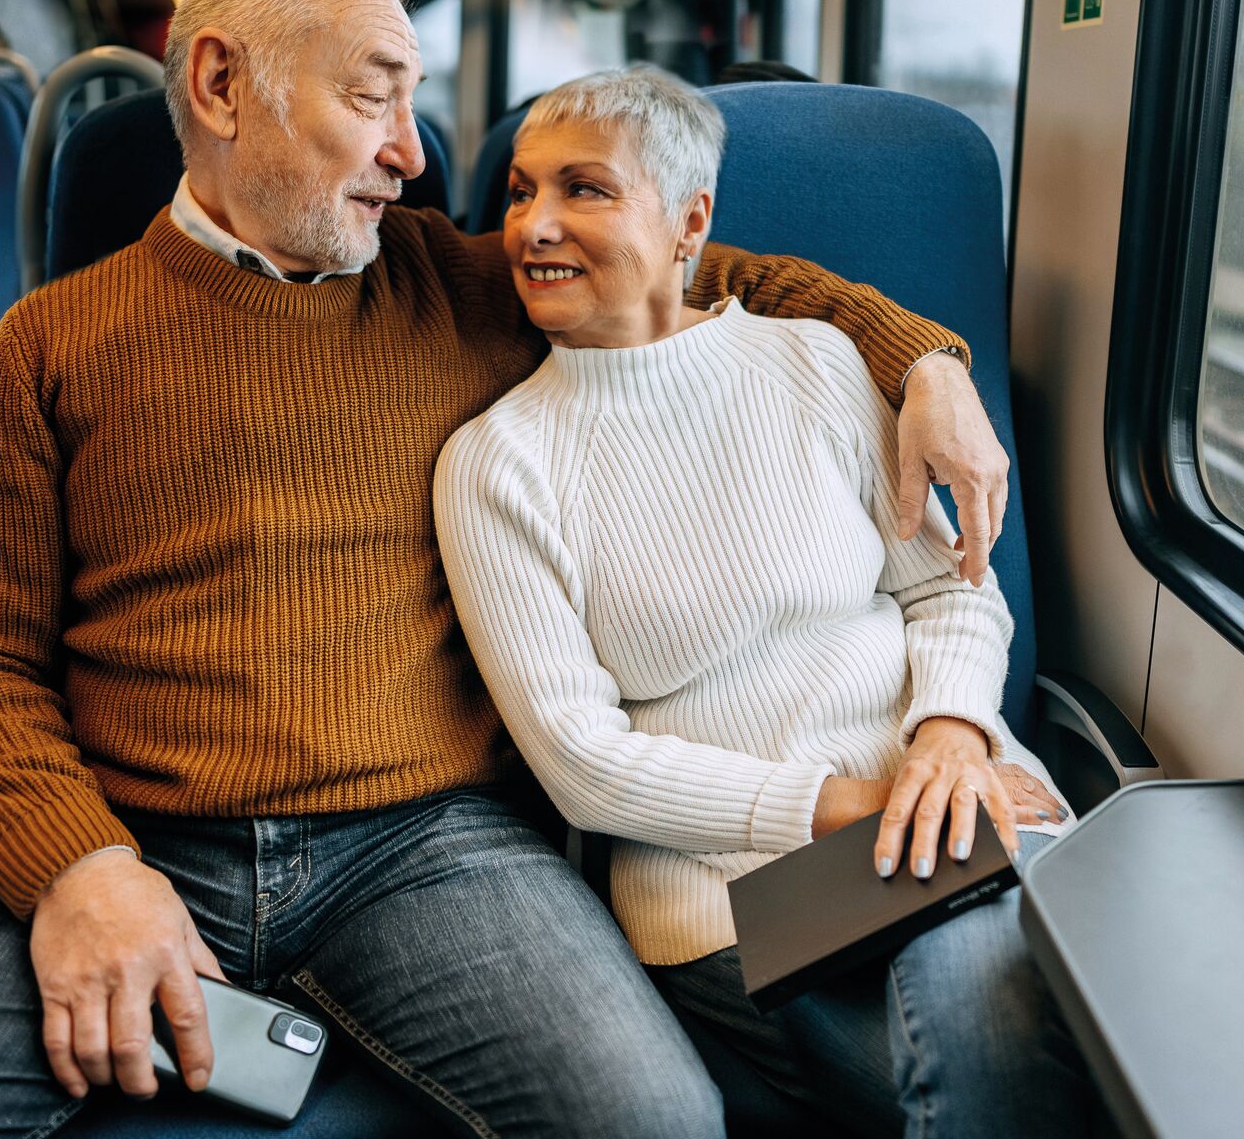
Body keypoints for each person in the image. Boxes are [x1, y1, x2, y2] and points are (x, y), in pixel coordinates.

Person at [0, 0, 1014, 1137]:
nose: (413, 154)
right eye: (373, 99)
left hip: (425, 847)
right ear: (220, 84)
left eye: (413, 104)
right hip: (132, 830)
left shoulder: (455, 285)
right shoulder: (47, 347)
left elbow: (710, 276)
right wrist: (77, 869)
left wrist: (920, 360)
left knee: (655, 1120)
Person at [434, 66, 1097, 1136]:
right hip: (734, 890)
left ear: (691, 219)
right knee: (1000, 1035)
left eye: (584, 189)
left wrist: (951, 734)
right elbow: (583, 762)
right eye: (519, 191)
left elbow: (955, 591)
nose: (533, 225)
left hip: (970, 800)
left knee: (1077, 1034)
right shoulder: (495, 462)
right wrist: (869, 805)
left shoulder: (821, 362)